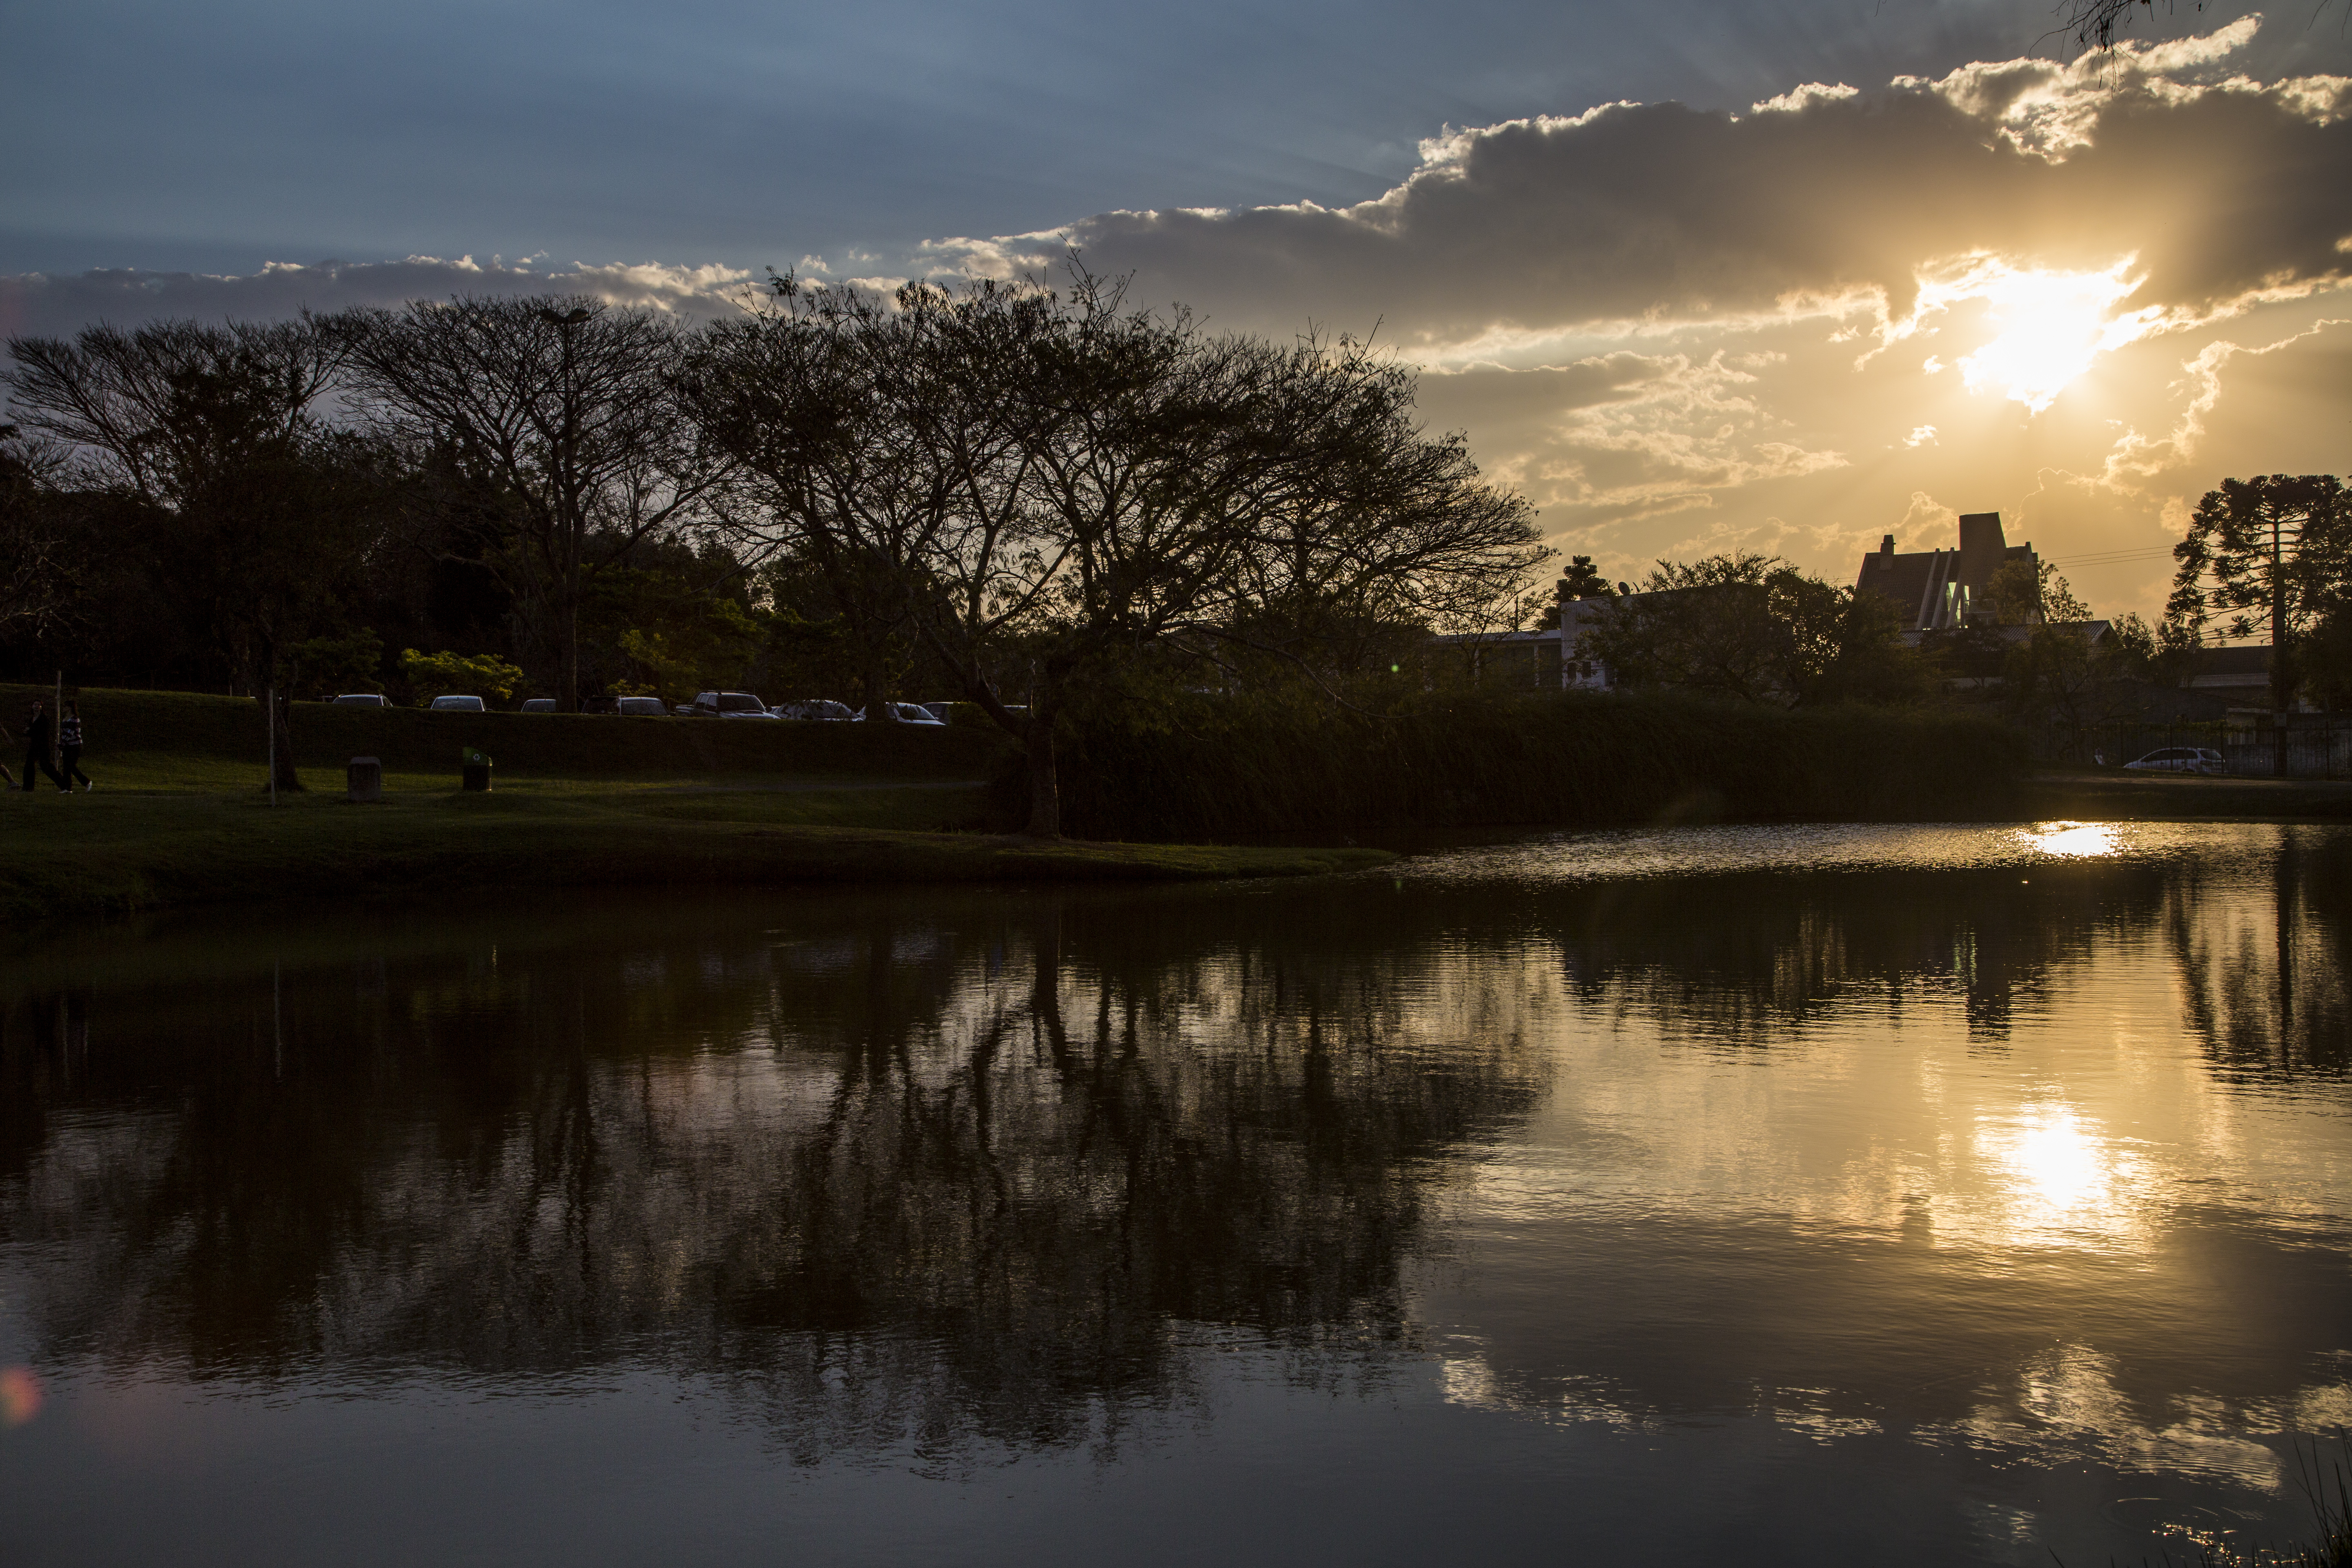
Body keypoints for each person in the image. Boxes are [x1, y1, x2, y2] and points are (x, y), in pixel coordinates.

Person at [21, 699, 64, 792]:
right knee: (29, 765)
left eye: (39, 705)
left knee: (46, 766)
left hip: (43, 746)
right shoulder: (32, 718)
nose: (37, 706)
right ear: (32, 706)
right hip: (34, 746)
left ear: (41, 708)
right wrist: (27, 733)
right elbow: (33, 733)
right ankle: (28, 787)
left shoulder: (44, 719)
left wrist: (30, 731)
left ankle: (63, 784)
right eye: (35, 704)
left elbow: (41, 732)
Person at [58, 701, 91, 791]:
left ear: (70, 708)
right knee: (66, 767)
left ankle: (87, 782)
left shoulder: (75, 719)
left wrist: (62, 744)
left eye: (65, 706)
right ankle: (67, 789)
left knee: (71, 766)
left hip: (75, 746)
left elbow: (70, 733)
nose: (63, 708)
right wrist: (62, 743)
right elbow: (63, 733)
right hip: (67, 745)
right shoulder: (65, 719)